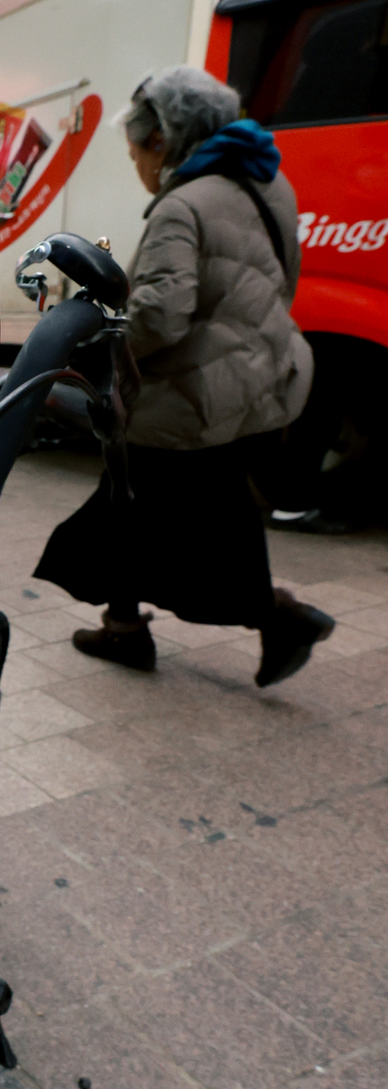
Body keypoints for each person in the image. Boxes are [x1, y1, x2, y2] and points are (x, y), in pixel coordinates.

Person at [35, 65, 334, 689]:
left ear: (163, 142)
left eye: (135, 150)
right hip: (262, 379)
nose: (137, 165)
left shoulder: (182, 204)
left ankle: (278, 616)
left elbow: (161, 317)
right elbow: (280, 282)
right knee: (156, 511)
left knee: (158, 517)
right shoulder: (269, 183)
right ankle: (126, 627)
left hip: (195, 394)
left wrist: (96, 334)